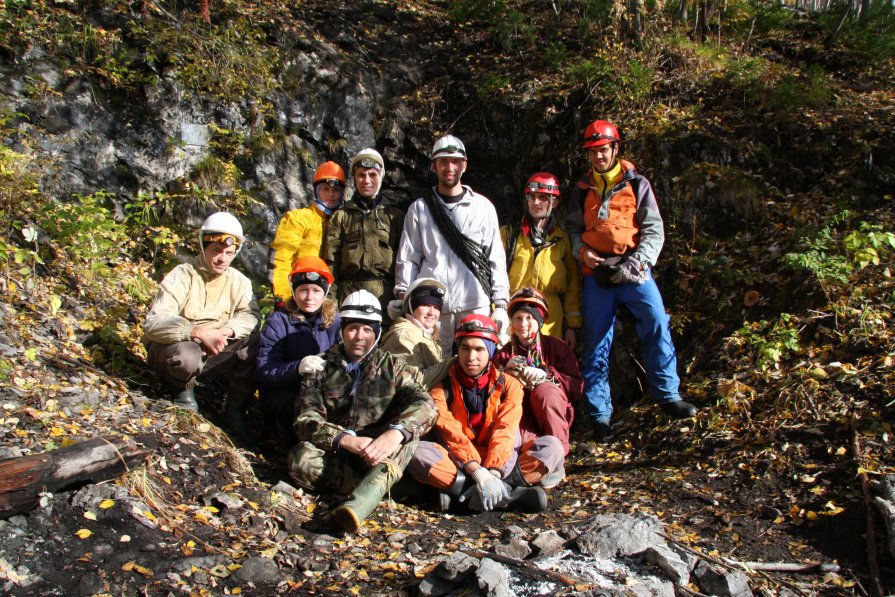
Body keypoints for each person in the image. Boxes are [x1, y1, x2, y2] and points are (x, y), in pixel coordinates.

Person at [566, 119, 698, 439]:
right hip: (596, 273)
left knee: (655, 320)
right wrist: (582, 252)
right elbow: (572, 230)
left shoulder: (636, 182)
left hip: (633, 270)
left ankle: (668, 395)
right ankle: (600, 417)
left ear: (615, 148)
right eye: (592, 151)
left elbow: (654, 229)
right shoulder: (582, 188)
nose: (598, 156)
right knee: (597, 341)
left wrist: (639, 261)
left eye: (603, 149)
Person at [288, 289, 437, 533]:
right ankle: (382, 489)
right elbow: (306, 419)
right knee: (300, 459)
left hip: (382, 454)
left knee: (410, 435)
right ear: (342, 330)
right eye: (352, 328)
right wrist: (346, 441)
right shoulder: (321, 366)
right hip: (341, 453)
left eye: (367, 330)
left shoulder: (392, 365)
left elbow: (426, 404)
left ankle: (358, 505)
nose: (359, 336)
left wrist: (395, 434)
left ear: (377, 333)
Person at [407, 315, 564, 514]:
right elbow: (451, 435)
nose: (471, 357)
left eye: (479, 349)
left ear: (490, 351)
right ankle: (509, 496)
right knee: (416, 451)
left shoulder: (510, 385)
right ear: (458, 349)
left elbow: (505, 430)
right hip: (461, 462)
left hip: (502, 460)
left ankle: (465, 496)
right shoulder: (440, 389)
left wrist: (493, 472)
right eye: (465, 348)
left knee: (552, 448)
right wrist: (479, 473)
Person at [143, 212, 260, 444]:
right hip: (179, 350)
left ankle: (234, 411)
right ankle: (183, 398)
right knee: (186, 355)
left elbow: (251, 315)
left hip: (215, 348)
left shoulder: (239, 281)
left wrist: (228, 330)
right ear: (203, 245)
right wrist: (195, 331)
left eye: (228, 253)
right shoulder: (182, 275)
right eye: (216, 250)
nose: (222, 259)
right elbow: (153, 322)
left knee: (258, 343)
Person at [393, 135, 511, 354]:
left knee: (476, 366)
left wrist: (501, 304)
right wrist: (403, 296)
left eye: (455, 161)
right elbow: (409, 257)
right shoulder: (420, 209)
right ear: (434, 166)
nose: (450, 167)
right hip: (433, 309)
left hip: (475, 305)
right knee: (433, 368)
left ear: (464, 165)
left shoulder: (483, 207)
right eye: (443, 161)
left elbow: (495, 257)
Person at [255, 257, 340, 440]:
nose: (309, 298)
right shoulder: (279, 321)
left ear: (325, 293)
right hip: (287, 391)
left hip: (323, 390)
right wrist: (297, 368)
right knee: (286, 402)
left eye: (316, 291)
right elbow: (265, 369)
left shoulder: (336, 322)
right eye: (303, 290)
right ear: (293, 291)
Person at [493, 287, 583, 459]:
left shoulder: (557, 347)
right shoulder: (504, 353)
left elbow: (576, 387)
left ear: (540, 321)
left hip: (549, 410)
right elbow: (488, 390)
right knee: (526, 445)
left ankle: (558, 455)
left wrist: (547, 374)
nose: (523, 324)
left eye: (529, 318)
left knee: (545, 392)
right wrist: (504, 374)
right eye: (518, 318)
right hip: (520, 414)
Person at [501, 172, 582, 348]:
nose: (536, 202)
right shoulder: (508, 235)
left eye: (543, 198)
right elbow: (493, 277)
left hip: (550, 318)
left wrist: (572, 327)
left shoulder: (562, 240)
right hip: (513, 314)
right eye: (532, 196)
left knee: (547, 369)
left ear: (555, 201)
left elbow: (572, 285)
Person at [323, 149, 404, 315]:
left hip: (385, 298)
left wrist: (402, 300)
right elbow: (331, 262)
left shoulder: (395, 215)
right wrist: (330, 303)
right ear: (354, 177)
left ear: (381, 176)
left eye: (372, 175)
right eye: (361, 175)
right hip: (348, 295)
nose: (366, 180)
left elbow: (405, 261)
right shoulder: (341, 216)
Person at [268, 161, 346, 303]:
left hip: (330, 296)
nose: (331, 194)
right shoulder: (297, 218)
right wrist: (284, 298)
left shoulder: (344, 221)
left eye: (336, 190)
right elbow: (280, 259)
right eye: (325, 189)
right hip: (300, 293)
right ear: (316, 190)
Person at [380, 277, 450, 389]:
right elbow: (408, 384)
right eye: (426, 305)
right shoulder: (404, 335)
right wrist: (451, 364)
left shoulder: (428, 334)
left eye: (436, 307)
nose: (432, 312)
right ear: (411, 307)